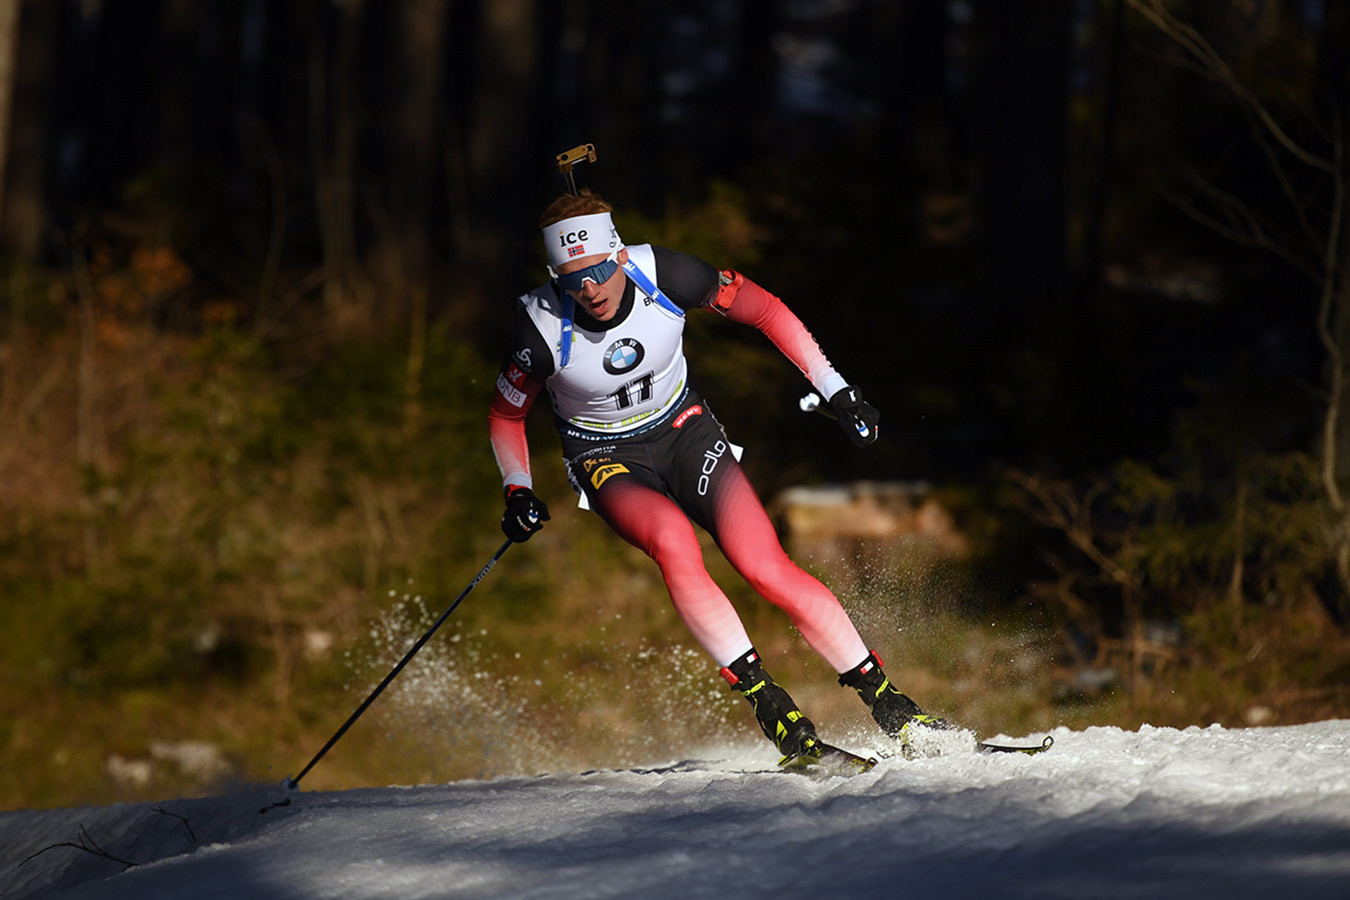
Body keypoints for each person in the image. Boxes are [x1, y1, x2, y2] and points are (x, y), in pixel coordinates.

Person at [488, 189, 946, 760]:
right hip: (606, 457)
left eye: (601, 269)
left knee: (766, 568)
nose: (590, 289)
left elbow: (768, 312)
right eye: (573, 278)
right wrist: (518, 490)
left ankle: (892, 708)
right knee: (674, 542)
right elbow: (507, 416)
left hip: (685, 431)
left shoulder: (669, 274)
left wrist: (836, 389)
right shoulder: (538, 329)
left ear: (621, 255)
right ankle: (772, 707)